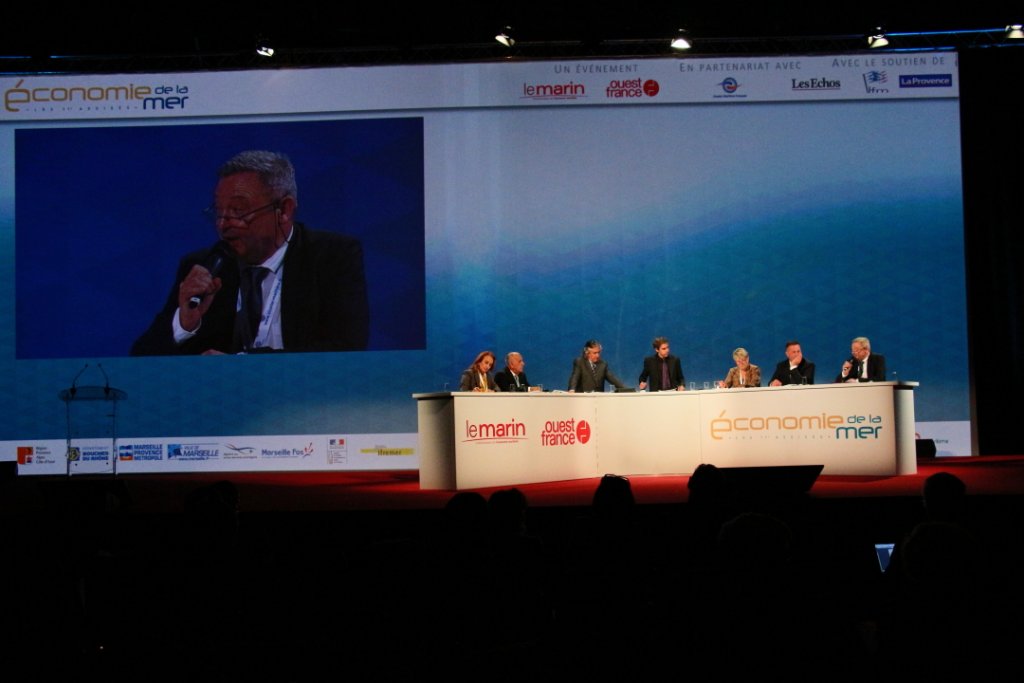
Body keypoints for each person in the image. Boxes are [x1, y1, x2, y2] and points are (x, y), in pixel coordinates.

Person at [131, 150, 369, 355]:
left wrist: (243, 365)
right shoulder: (206, 266)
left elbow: (346, 348)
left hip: (304, 400)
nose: (223, 223)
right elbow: (142, 358)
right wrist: (185, 323)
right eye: (219, 210)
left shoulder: (330, 257)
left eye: (238, 210)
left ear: (284, 210)